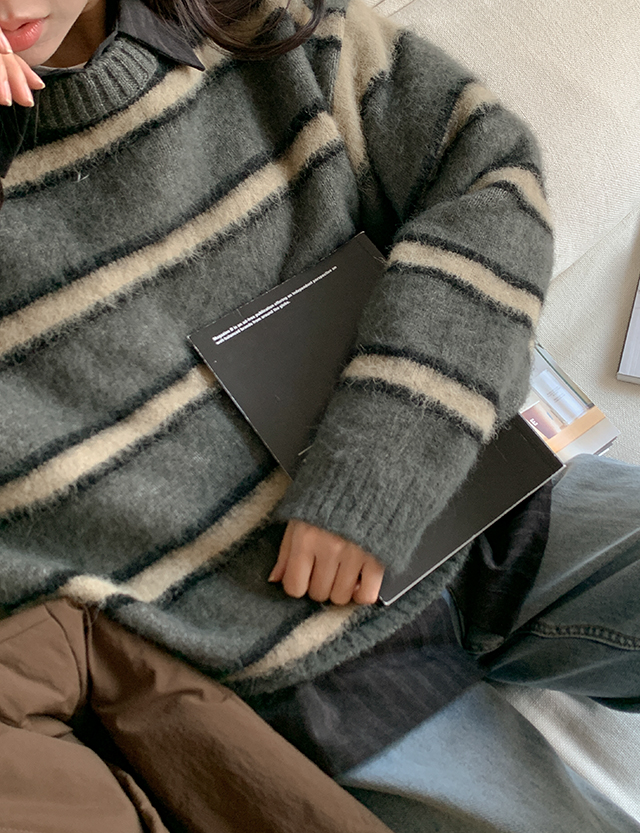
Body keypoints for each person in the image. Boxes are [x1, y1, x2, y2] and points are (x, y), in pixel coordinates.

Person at [1, 1, 639, 831]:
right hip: (285, 669)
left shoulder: (262, 25)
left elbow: (491, 178)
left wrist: (383, 467)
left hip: (477, 503)